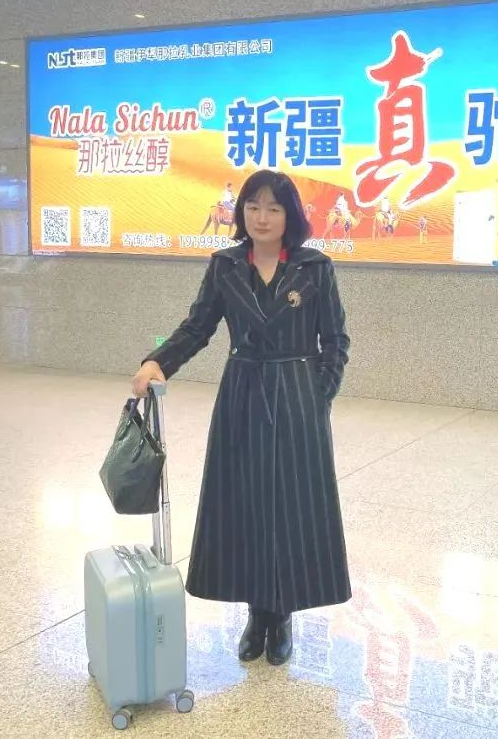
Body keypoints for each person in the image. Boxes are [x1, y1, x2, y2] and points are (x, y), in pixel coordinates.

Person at [132, 169, 352, 666]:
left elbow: (336, 340)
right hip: (243, 391)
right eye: (253, 206)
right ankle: (257, 613)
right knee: (246, 501)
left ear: (290, 215)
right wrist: (157, 361)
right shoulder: (225, 265)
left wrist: (319, 393)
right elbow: (197, 327)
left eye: (274, 208)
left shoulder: (315, 267)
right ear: (241, 212)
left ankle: (283, 612)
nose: (262, 217)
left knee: (294, 505)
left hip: (297, 393)